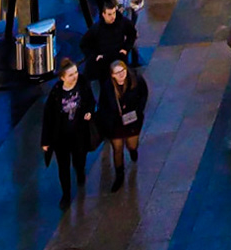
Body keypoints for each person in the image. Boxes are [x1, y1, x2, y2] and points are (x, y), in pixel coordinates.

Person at [41, 57, 97, 208]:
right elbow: (48, 118)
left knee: (80, 159)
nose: (75, 76)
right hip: (61, 137)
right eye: (71, 74)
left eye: (76, 72)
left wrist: (89, 112)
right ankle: (66, 194)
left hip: (79, 133)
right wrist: (45, 141)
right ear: (62, 78)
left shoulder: (83, 84)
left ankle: (80, 172)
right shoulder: (56, 94)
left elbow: (91, 101)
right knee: (63, 166)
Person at [96, 59, 150, 193]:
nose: (121, 75)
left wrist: (138, 110)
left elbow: (144, 95)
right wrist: (108, 120)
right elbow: (103, 105)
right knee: (117, 149)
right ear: (112, 75)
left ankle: (133, 150)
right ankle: (119, 175)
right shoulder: (107, 86)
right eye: (117, 73)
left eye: (123, 71)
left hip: (132, 119)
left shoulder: (135, 80)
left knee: (132, 144)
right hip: (115, 122)